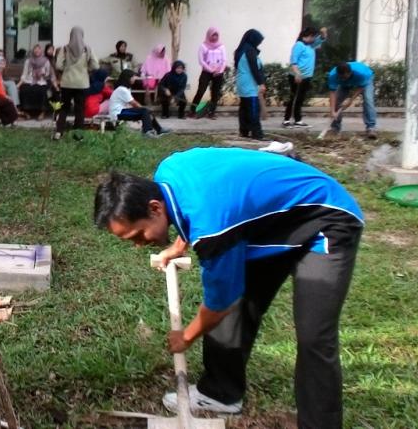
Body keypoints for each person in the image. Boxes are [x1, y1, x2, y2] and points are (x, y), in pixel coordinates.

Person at [93, 147, 364, 429]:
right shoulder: (167, 172)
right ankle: (220, 393)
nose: (138, 244)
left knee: (314, 336)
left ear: (154, 208)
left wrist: (186, 336)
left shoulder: (212, 229)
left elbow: (218, 304)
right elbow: (199, 206)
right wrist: (178, 244)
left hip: (326, 219)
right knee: (239, 296)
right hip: (270, 222)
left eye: (138, 235)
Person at [53, 26, 100, 140]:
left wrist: (66, 69)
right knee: (80, 109)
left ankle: (59, 132)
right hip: (82, 84)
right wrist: (86, 68)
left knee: (64, 108)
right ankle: (78, 135)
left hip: (67, 83)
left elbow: (58, 66)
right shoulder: (87, 49)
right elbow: (96, 66)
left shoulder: (65, 49)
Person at [283, 27, 326, 128]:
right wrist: (297, 74)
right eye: (314, 37)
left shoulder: (311, 45)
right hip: (296, 76)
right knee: (294, 98)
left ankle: (298, 120)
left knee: (300, 99)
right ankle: (286, 120)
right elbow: (294, 62)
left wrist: (323, 32)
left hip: (306, 77)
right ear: (309, 36)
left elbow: (322, 38)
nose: (315, 39)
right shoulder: (299, 45)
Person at [107, 69, 168, 137]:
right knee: (145, 111)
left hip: (122, 111)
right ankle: (147, 132)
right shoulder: (122, 90)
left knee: (146, 112)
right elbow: (134, 104)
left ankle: (159, 130)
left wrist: (147, 112)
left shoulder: (125, 89)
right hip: (118, 113)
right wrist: (146, 112)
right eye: (133, 77)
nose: (134, 79)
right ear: (127, 78)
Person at [326, 61, 377, 139]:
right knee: (337, 101)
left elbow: (361, 87)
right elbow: (332, 93)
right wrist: (333, 111)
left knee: (368, 100)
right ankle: (335, 128)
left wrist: (350, 101)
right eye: (341, 78)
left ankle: (371, 128)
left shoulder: (361, 73)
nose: (343, 79)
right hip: (345, 85)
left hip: (366, 80)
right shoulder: (333, 75)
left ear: (350, 73)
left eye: (344, 77)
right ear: (338, 74)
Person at [234, 29, 266, 140]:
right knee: (253, 109)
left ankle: (244, 131)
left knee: (244, 107)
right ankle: (256, 133)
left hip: (242, 82)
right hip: (249, 83)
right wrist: (261, 83)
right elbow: (254, 69)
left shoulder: (241, 50)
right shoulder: (250, 51)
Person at [189, 27, 227, 119]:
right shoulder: (203, 46)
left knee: (215, 93)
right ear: (209, 35)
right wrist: (211, 70)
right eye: (213, 35)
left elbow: (224, 60)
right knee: (201, 91)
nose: (215, 37)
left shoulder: (221, 46)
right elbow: (201, 61)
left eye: (216, 35)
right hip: (206, 72)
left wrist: (220, 71)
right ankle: (192, 111)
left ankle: (212, 112)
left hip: (218, 73)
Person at [17, 43, 56, 120]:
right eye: (35, 49)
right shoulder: (28, 61)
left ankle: (42, 112)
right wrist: (19, 84)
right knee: (24, 90)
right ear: (33, 51)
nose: (37, 51)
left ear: (41, 51)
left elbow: (48, 74)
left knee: (42, 91)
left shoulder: (46, 61)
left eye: (38, 49)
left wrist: (43, 74)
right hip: (29, 81)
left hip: (41, 81)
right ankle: (27, 112)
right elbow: (24, 74)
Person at [0, 57, 19, 126]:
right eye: (0, 62)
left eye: (3, 62)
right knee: (8, 102)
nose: (3, 64)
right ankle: (9, 121)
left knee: (6, 102)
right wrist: (6, 96)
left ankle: (4, 121)